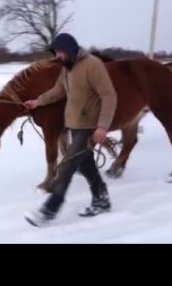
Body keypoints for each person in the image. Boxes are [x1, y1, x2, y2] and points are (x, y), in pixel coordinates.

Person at [23, 33, 118, 227]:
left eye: (59, 52)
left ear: (70, 49)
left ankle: (49, 210)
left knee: (66, 166)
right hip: (74, 124)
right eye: (55, 52)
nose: (57, 56)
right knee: (86, 165)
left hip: (89, 126)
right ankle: (101, 199)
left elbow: (109, 95)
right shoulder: (67, 69)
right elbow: (57, 91)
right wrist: (37, 101)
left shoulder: (93, 65)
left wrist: (103, 126)